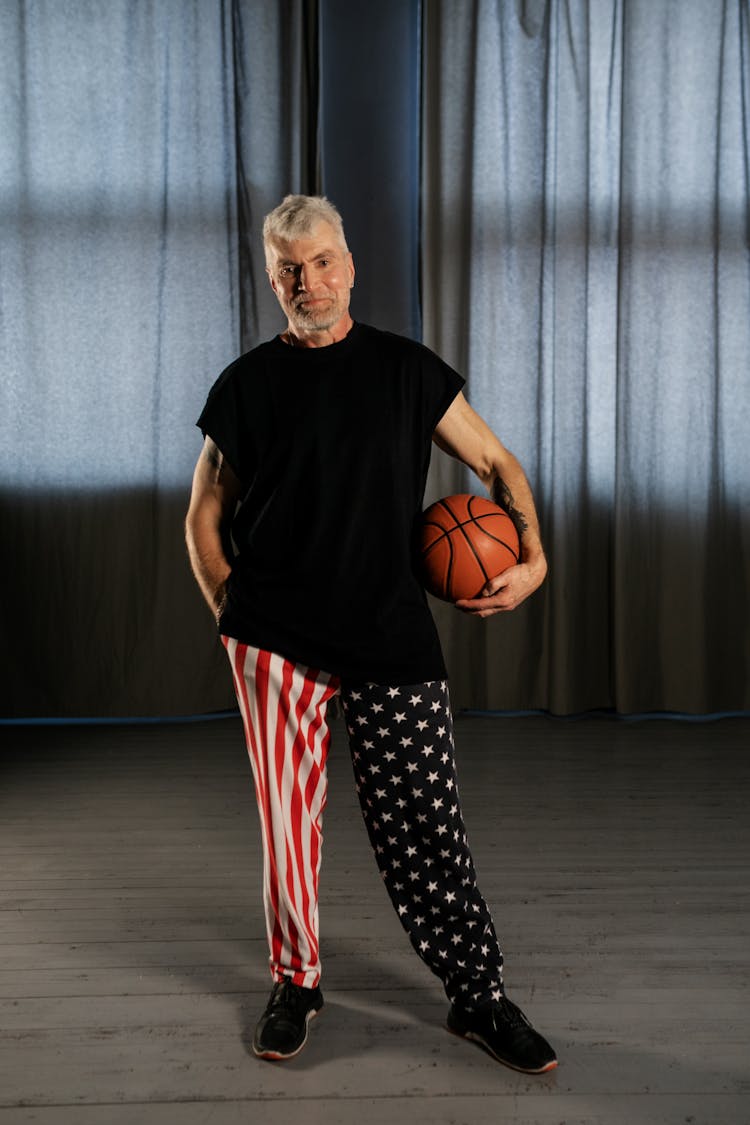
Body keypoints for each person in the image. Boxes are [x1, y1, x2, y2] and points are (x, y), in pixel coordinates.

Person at [185, 194, 556, 1073]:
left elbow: (497, 463)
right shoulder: (246, 384)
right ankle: (296, 981)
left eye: (320, 262)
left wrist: (534, 556)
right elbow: (204, 515)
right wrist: (231, 621)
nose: (306, 281)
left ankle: (478, 995)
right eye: (288, 268)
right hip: (274, 639)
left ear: (349, 266)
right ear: (272, 278)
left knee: (426, 822)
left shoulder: (406, 369)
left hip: (389, 629)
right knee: (289, 827)